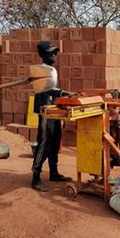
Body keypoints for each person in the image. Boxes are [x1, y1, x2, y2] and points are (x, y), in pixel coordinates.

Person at [31, 41, 74, 192]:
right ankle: (35, 177)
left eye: (56, 52)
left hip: (54, 111)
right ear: (42, 55)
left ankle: (54, 172)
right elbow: (49, 90)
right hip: (45, 113)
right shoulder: (40, 71)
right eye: (51, 53)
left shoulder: (50, 70)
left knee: (56, 141)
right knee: (44, 143)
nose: (55, 55)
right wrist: (65, 93)